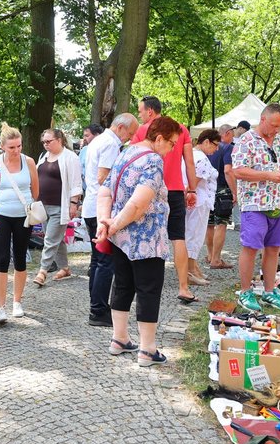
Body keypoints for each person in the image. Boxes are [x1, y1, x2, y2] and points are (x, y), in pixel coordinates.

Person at [94, 116, 183, 366]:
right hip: (147, 238)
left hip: (120, 238)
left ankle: (119, 339)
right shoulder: (153, 160)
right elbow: (139, 204)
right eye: (172, 143)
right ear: (158, 139)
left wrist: (106, 223)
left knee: (122, 285)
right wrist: (112, 225)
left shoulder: (125, 153)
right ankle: (147, 350)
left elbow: (105, 190)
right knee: (148, 290)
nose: (172, 149)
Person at [231, 103, 280, 312]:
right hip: (255, 204)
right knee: (251, 247)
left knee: (274, 248)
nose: (276, 130)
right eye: (273, 125)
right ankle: (245, 292)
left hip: (279, 202)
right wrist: (268, 175)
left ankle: (269, 291)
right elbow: (238, 171)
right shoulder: (246, 140)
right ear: (263, 120)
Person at [130, 96, 198, 302]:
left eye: (141, 111)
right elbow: (190, 162)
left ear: (150, 111)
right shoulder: (180, 128)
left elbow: (134, 157)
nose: (140, 115)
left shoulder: (143, 131)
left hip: (149, 188)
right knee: (178, 237)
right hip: (176, 189)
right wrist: (192, 189)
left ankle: (137, 284)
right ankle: (183, 287)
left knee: (142, 233)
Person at [82, 113, 139, 327]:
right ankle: (98, 310)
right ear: (121, 128)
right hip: (100, 209)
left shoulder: (99, 140)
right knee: (105, 262)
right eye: (130, 133)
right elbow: (103, 177)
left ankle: (97, 306)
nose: (130, 138)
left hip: (92, 206)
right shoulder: (111, 144)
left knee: (98, 261)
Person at [0, 123, 40, 323]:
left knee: (20, 257)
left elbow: (35, 189)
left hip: (23, 215)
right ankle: (0, 306)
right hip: (1, 214)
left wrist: (29, 206)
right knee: (1, 259)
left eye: (19, 146)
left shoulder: (28, 162)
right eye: (12, 147)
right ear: (2, 146)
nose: (16, 150)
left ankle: (17, 302)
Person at [33, 128, 83, 285]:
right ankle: (64, 268)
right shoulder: (43, 156)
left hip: (60, 206)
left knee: (49, 239)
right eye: (43, 142)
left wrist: (74, 204)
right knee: (56, 237)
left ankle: (43, 271)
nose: (46, 145)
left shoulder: (70, 157)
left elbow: (76, 183)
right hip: (42, 205)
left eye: (49, 141)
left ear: (59, 140)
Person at [183, 129, 221, 295]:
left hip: (195, 200)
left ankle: (193, 268)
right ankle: (190, 271)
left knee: (192, 235)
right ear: (206, 142)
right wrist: (188, 193)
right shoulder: (201, 158)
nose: (216, 149)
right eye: (215, 145)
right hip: (198, 201)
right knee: (194, 235)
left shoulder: (191, 154)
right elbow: (194, 182)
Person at [205, 125, 236, 270]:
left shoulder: (207, 149)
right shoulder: (227, 148)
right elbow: (228, 170)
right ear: (228, 133)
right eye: (233, 134)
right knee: (221, 224)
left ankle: (210, 255)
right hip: (223, 189)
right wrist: (234, 192)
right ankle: (216, 259)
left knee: (209, 224)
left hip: (208, 189)